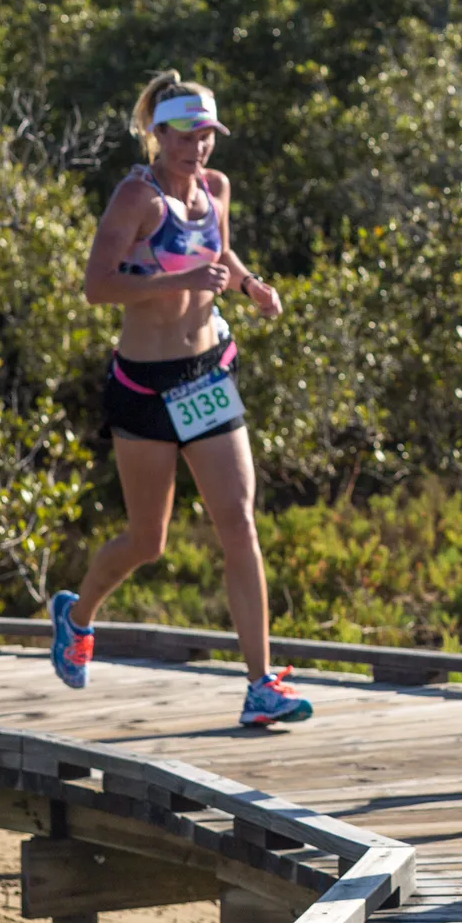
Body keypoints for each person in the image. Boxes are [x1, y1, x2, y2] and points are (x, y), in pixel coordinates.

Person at [47, 72, 311, 728]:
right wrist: (187, 277)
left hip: (204, 377)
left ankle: (259, 684)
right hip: (143, 385)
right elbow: (96, 285)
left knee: (238, 524)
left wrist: (250, 287)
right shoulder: (137, 198)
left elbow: (220, 250)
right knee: (148, 539)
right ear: (158, 135)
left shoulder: (216, 190)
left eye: (207, 137)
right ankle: (76, 616)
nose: (198, 149)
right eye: (186, 136)